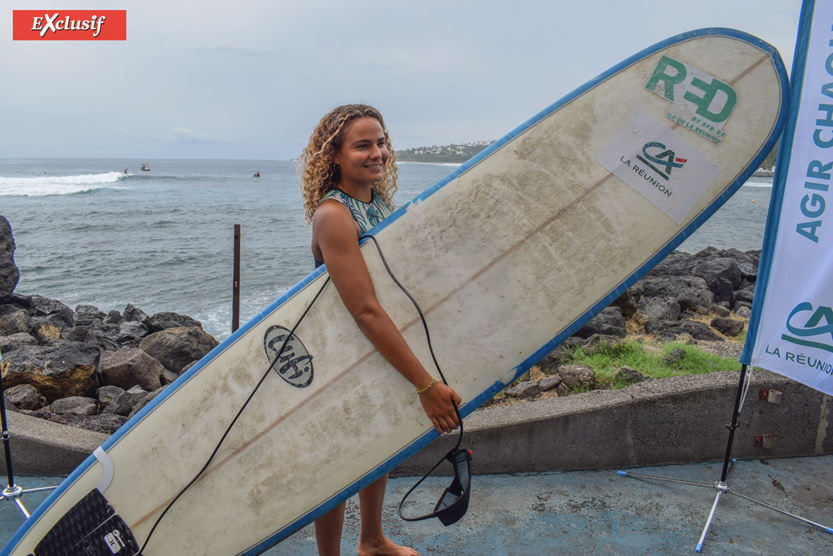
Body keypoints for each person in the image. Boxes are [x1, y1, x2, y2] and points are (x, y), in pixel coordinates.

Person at [299, 104, 462, 556]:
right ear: (334, 155)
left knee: (376, 445)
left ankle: (371, 540)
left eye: (381, 142)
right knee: (337, 464)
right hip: (340, 352)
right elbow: (365, 310)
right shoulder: (334, 214)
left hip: (374, 347)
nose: (377, 153)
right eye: (363, 145)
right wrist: (425, 384)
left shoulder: (376, 202)